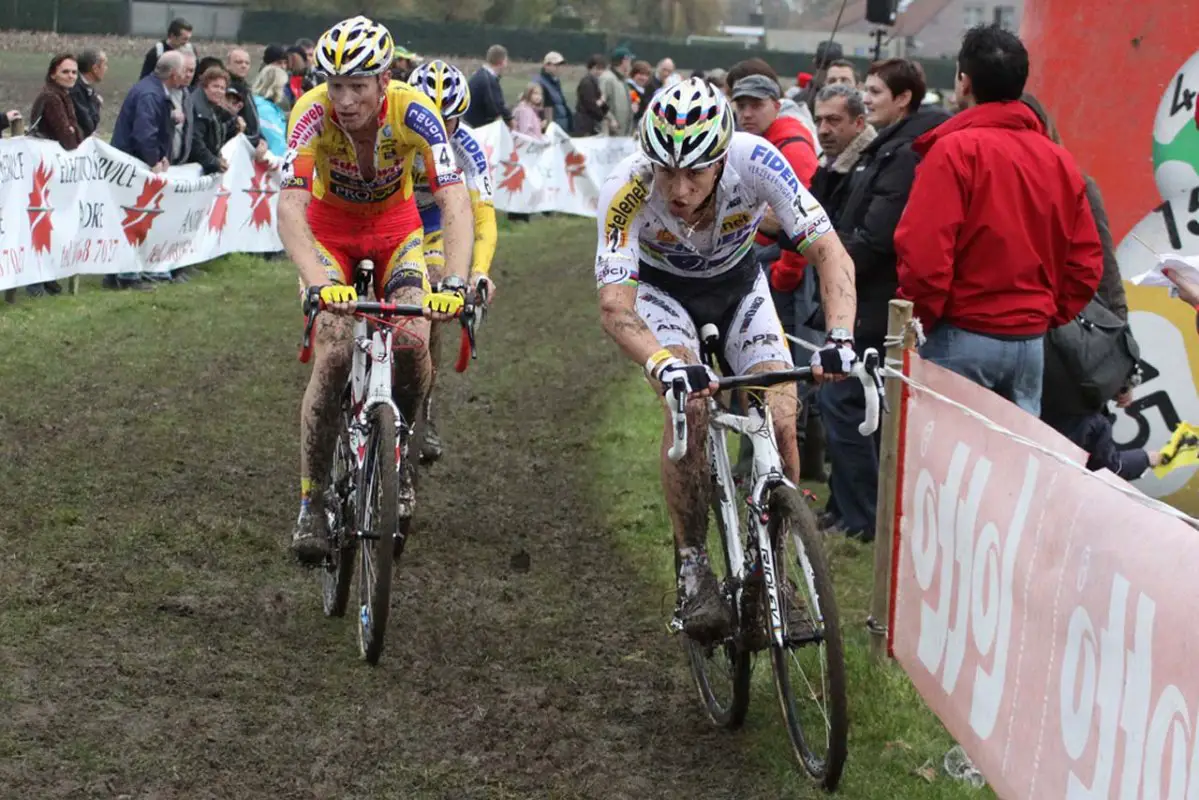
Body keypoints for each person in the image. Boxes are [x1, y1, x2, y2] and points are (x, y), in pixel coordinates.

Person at [594, 78, 858, 639]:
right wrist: (662, 363)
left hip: (739, 288)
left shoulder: (758, 160)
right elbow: (615, 306)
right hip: (661, 296)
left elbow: (829, 250)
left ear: (721, 158)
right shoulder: (626, 186)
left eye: (694, 172)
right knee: (686, 408)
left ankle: (775, 570)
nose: (678, 188)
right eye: (666, 171)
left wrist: (839, 335)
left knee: (782, 418)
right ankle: (692, 569)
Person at [280, 16, 474, 565]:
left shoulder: (415, 110)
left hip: (397, 232)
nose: (343, 100)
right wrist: (319, 286)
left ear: (384, 81)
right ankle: (311, 503)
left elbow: (455, 199)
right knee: (336, 348)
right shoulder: (310, 111)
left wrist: (454, 281)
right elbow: (290, 207)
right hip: (330, 233)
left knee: (414, 341)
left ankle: (402, 462)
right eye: (335, 84)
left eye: (357, 86)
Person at [895, 25, 1103, 416]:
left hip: (962, 333)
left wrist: (921, 317)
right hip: (1028, 340)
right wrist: (1042, 312)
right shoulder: (1058, 159)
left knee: (941, 467)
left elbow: (924, 254)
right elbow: (1086, 263)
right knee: (1010, 471)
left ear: (964, 82)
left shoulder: (953, 151)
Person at [819, 59, 949, 540]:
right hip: (862, 295)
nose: (865, 97)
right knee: (845, 404)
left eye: (874, 91)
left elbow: (877, 236)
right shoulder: (883, 146)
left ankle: (864, 519)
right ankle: (845, 508)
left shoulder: (906, 154)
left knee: (845, 401)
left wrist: (833, 262)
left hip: (874, 301)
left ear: (904, 98)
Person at [406, 60, 498, 464]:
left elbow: (483, 218)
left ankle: (423, 406)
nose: (440, 131)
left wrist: (477, 271)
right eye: (431, 118)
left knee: (437, 285)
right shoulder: (393, 130)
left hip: (437, 223)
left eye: (451, 121)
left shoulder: (468, 149)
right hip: (396, 214)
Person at [25, 53, 80, 297]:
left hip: (54, 173)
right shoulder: (51, 98)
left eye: (74, 72)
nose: (70, 76)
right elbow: (68, 138)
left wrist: (73, 132)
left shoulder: (64, 97)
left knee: (53, 223)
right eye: (65, 71)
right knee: (39, 223)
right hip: (41, 171)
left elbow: (75, 131)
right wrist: (73, 133)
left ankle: (46, 276)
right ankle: (34, 282)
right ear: (52, 73)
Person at [189, 66, 240, 175]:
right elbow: (195, 142)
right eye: (215, 86)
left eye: (222, 88)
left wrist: (235, 126)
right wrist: (214, 162)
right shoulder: (198, 107)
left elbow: (218, 134)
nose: (219, 91)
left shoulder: (213, 107)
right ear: (205, 86)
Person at [226, 48, 265, 155]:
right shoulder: (228, 89)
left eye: (247, 63)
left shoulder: (245, 88)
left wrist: (262, 139)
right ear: (228, 65)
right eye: (238, 62)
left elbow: (253, 118)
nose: (243, 65)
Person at [465, 45, 512, 128]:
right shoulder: (488, 80)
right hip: (480, 128)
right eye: (506, 61)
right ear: (501, 61)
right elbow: (495, 107)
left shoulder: (481, 75)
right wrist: (510, 119)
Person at [251, 65, 289, 155]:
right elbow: (277, 144)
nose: (284, 90)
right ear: (275, 87)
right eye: (282, 86)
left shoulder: (259, 104)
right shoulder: (265, 110)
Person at [70, 48, 106, 139]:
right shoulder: (75, 89)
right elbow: (88, 126)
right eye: (104, 64)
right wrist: (96, 103)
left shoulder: (86, 87)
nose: (106, 68)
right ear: (95, 69)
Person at [599, 47, 635, 135]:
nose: (631, 64)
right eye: (630, 61)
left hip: (622, 134)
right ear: (624, 61)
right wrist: (611, 119)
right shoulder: (607, 78)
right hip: (610, 134)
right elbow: (600, 103)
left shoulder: (622, 79)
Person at [535, 51, 572, 133]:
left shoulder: (556, 81)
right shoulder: (539, 82)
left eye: (561, 65)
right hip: (550, 129)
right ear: (546, 65)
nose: (559, 68)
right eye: (556, 65)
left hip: (561, 127)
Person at [574, 54, 608, 136]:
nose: (599, 72)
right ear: (590, 68)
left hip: (590, 122)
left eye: (601, 69)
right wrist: (601, 102)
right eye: (597, 69)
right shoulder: (587, 83)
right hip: (585, 124)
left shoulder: (595, 82)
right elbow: (591, 105)